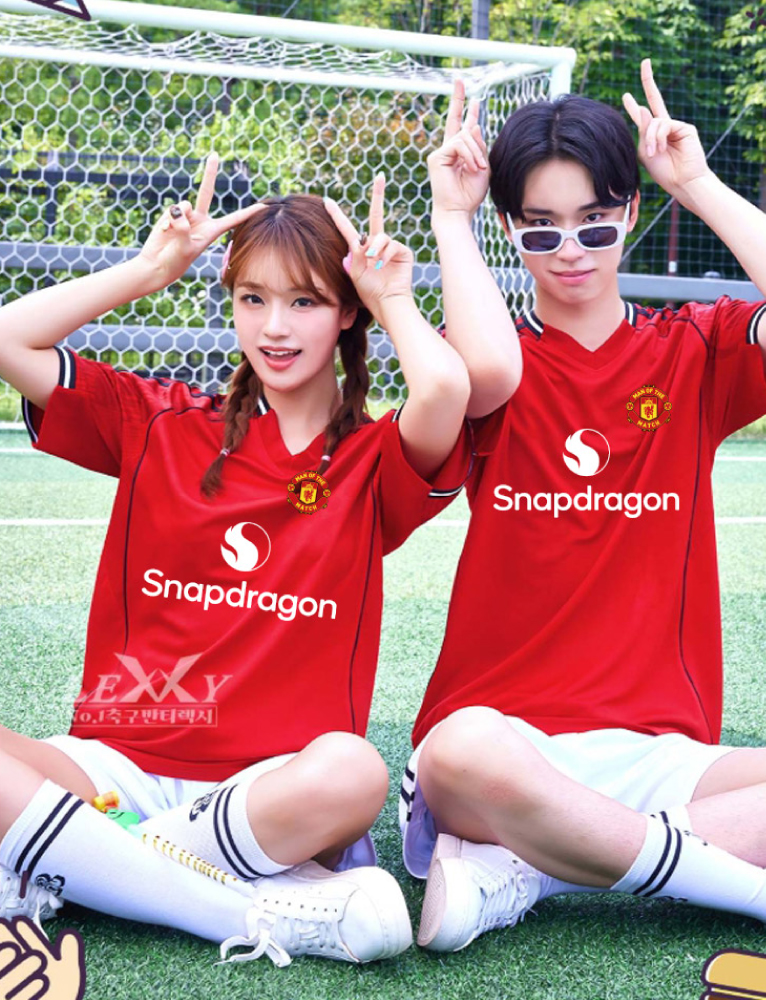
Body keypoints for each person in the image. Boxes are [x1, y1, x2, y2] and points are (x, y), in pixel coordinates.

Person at [0, 154, 472, 966]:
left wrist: (390, 296)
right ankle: (250, 907)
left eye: (304, 301)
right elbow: (9, 337)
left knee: (356, 772)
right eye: (252, 299)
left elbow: (446, 393)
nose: (274, 328)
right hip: (116, 769)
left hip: (275, 789)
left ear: (345, 312)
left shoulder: (371, 460)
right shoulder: (156, 422)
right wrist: (148, 272)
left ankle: (89, 862)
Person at [398, 62, 766, 952]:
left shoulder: (693, 353)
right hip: (499, 749)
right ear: (511, 229)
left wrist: (696, 184)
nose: (571, 250)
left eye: (596, 222)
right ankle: (749, 884)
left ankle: (528, 872)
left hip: (656, 752)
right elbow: (481, 371)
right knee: (458, 748)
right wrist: (452, 217)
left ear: (630, 210)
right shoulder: (486, 363)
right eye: (540, 229)